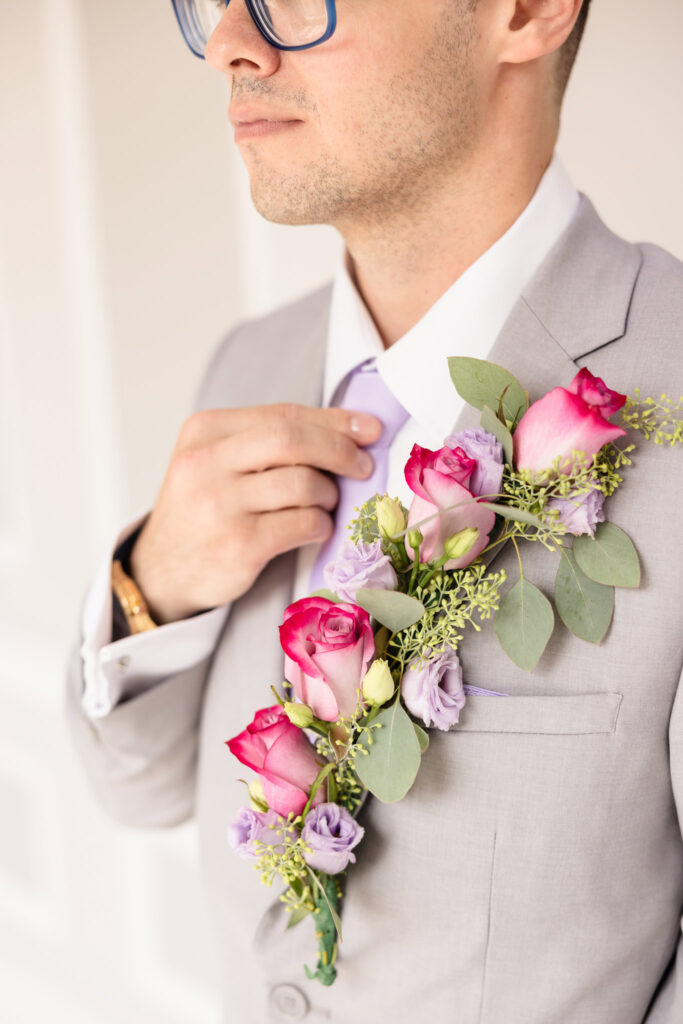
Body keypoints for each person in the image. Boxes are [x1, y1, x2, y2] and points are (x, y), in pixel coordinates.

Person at [66, 1, 683, 1021]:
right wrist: (153, 583)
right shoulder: (248, 365)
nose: (228, 40)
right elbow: (131, 786)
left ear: (523, 12)